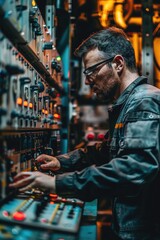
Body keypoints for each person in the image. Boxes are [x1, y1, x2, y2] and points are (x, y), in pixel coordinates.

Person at [9, 27, 160, 240]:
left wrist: (57, 184)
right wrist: (62, 162)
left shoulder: (144, 102)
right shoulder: (129, 104)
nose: (87, 81)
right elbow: (105, 150)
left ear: (118, 64)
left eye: (92, 71)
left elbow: (134, 168)